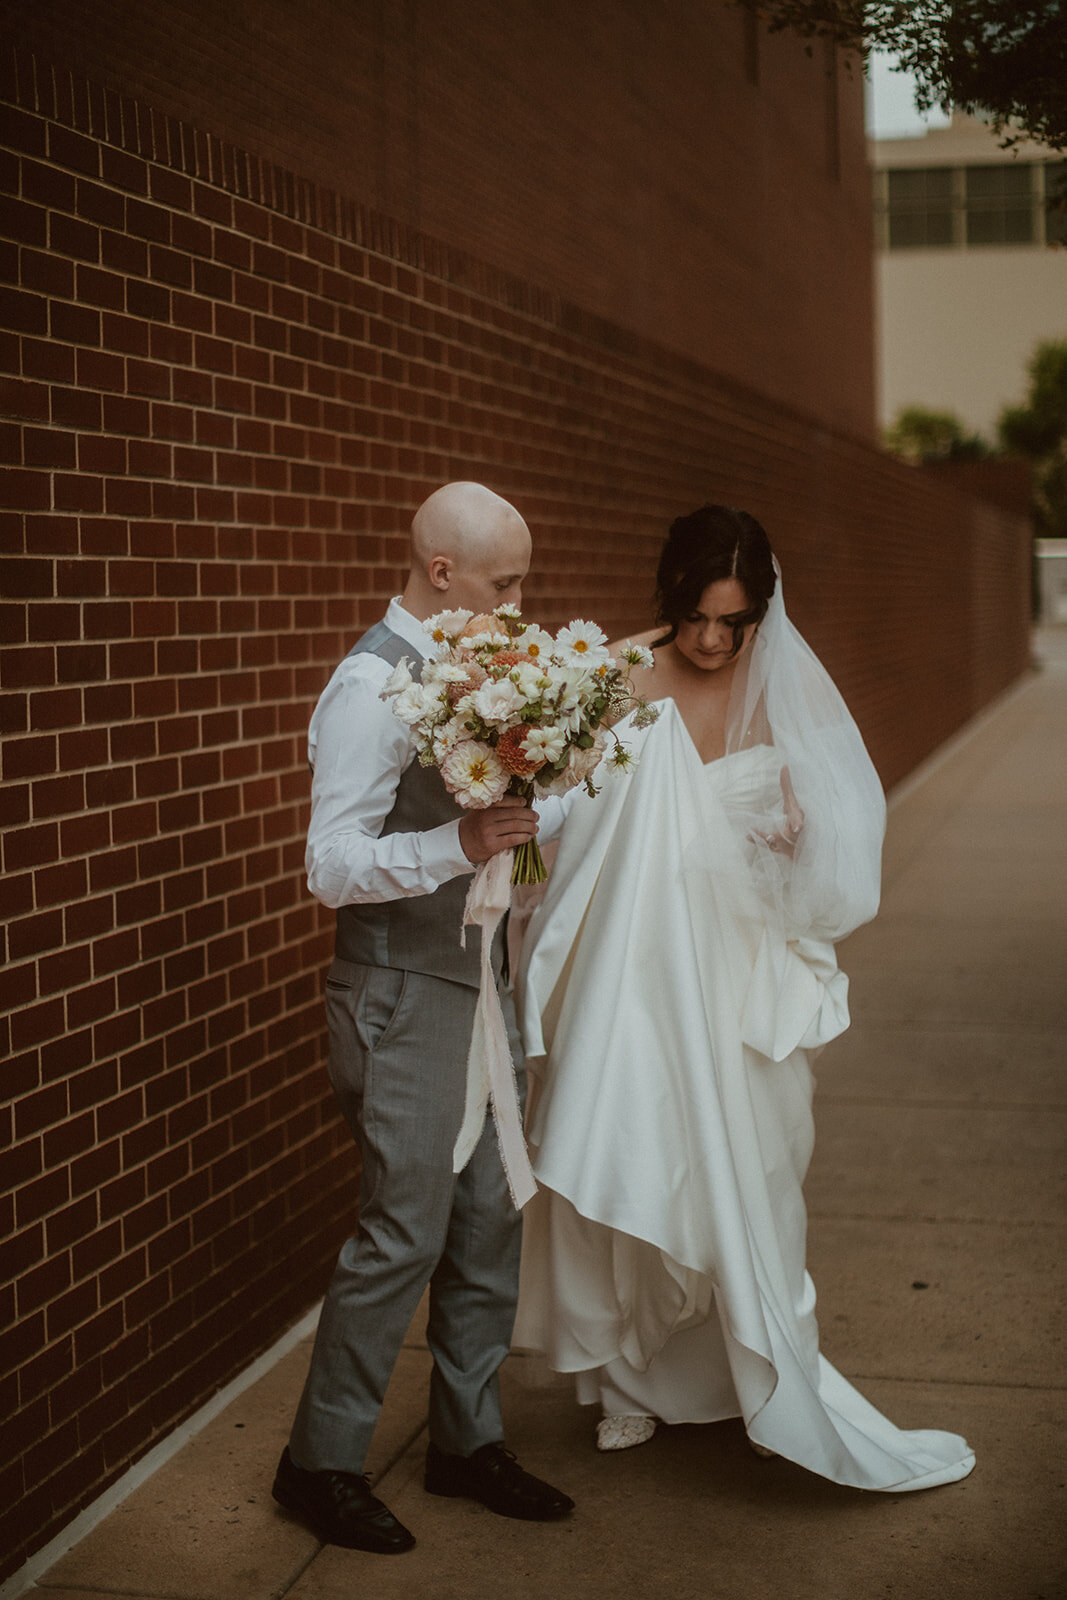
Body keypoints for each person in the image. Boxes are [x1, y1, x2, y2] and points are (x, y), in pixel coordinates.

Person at [515, 504, 975, 1490]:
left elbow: (822, 844)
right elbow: (549, 819)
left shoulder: (773, 688)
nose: (712, 640)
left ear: (757, 614)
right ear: (669, 599)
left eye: (732, 620)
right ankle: (626, 1387)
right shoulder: (616, 680)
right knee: (631, 1148)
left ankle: (740, 1368)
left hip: (737, 976)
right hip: (632, 974)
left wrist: (788, 838)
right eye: (694, 617)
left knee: (753, 1176)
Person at [273, 482, 574, 1554]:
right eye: (506, 583)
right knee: (402, 1233)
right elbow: (330, 864)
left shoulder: (491, 679)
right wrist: (462, 847)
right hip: (400, 995)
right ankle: (319, 1461)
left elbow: (508, 850)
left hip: (482, 984)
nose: (520, 602)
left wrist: (533, 835)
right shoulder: (371, 687)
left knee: (490, 1222)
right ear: (441, 573)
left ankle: (466, 1438)